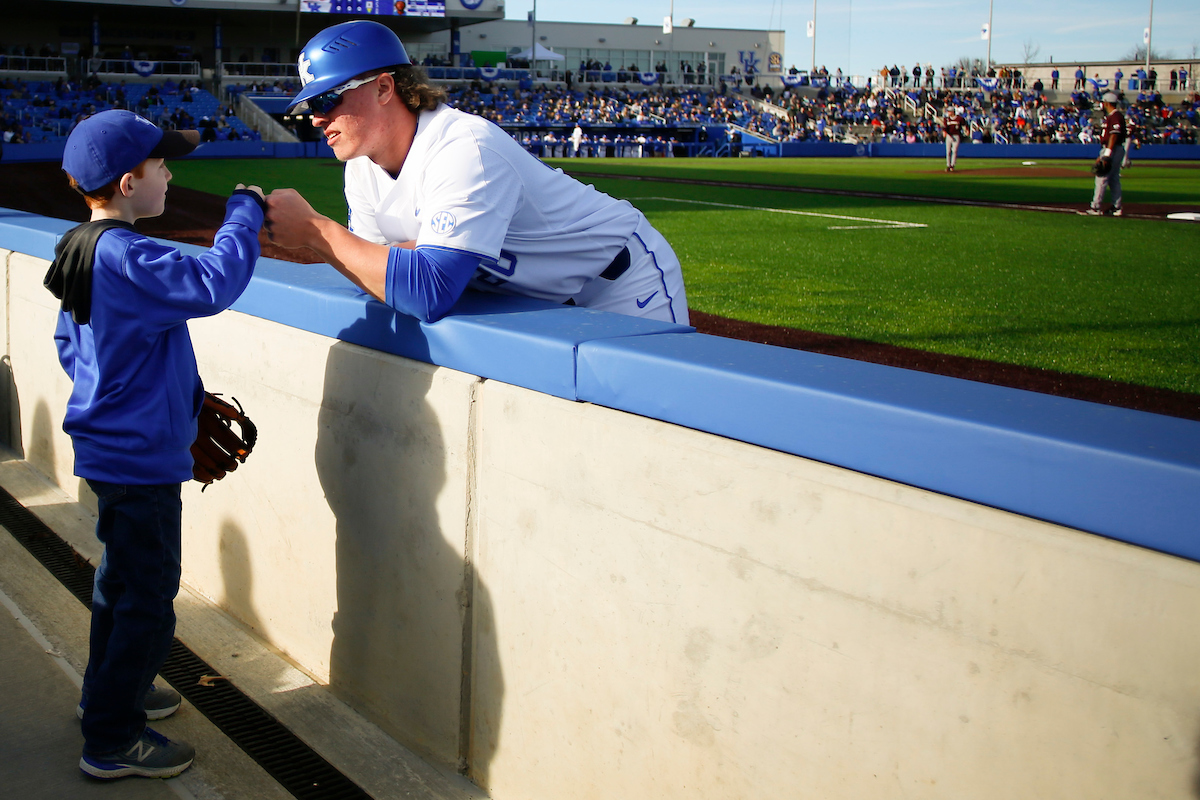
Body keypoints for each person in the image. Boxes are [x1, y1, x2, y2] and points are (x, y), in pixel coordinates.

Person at [44, 109, 265, 779]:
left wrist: (128, 394)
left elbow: (66, 346)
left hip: (111, 448)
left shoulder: (78, 245)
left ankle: (112, 693)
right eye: (163, 165)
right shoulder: (129, 254)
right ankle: (113, 737)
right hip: (139, 457)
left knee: (120, 584)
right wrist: (244, 213)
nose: (170, 174)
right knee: (146, 596)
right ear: (130, 181)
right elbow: (215, 282)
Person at [265, 21, 687, 324]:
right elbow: (375, 273)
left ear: (382, 88)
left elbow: (428, 292)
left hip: (619, 280)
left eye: (326, 101)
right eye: (310, 108)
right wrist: (412, 251)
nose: (316, 119)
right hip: (535, 293)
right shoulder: (361, 165)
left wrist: (317, 232)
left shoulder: (464, 147)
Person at [1080, 92, 1126, 216]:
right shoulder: (1114, 116)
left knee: (1102, 177)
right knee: (1114, 179)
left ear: (1106, 103)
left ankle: (1096, 206)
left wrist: (1107, 154)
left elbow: (1114, 135)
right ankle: (1116, 207)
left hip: (1113, 149)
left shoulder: (1115, 116)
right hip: (1113, 148)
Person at [941, 105, 965, 172]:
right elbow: (945, 127)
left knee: (954, 151)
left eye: (949, 111)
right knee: (948, 151)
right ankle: (948, 165)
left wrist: (966, 130)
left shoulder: (959, 118)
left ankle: (952, 165)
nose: (948, 113)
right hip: (949, 136)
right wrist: (944, 132)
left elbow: (964, 124)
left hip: (956, 135)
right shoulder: (947, 119)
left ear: (952, 112)